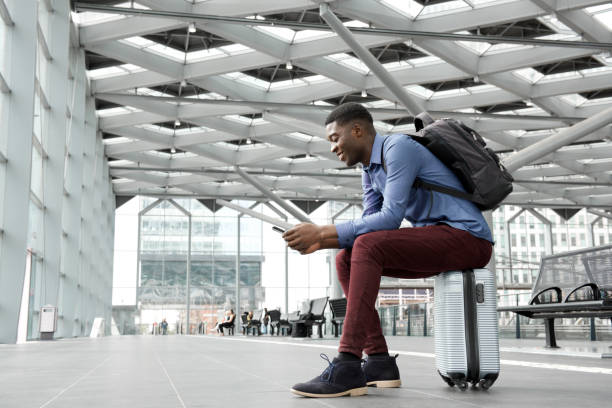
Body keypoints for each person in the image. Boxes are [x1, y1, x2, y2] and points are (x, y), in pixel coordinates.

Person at [282, 103, 493, 398]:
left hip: (469, 238)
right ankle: (378, 361)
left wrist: (321, 232)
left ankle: (347, 362)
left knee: (365, 245)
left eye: (334, 138)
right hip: (440, 239)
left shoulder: (398, 148)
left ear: (357, 130)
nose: (333, 148)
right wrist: (321, 242)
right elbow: (371, 225)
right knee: (346, 258)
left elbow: (390, 218)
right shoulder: (369, 170)